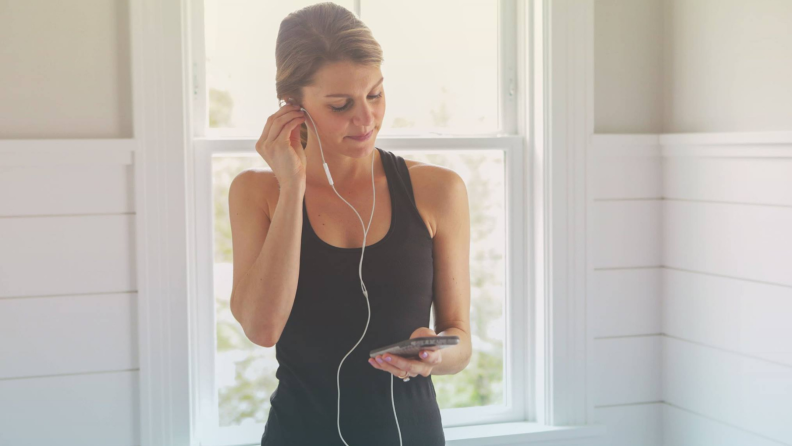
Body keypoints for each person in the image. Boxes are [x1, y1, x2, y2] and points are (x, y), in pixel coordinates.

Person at [228, 3, 471, 445]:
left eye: (375, 95)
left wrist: (434, 355)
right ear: (293, 106)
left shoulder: (438, 190)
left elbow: (461, 340)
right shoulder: (256, 193)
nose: (366, 119)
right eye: (341, 105)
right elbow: (262, 330)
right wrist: (293, 186)